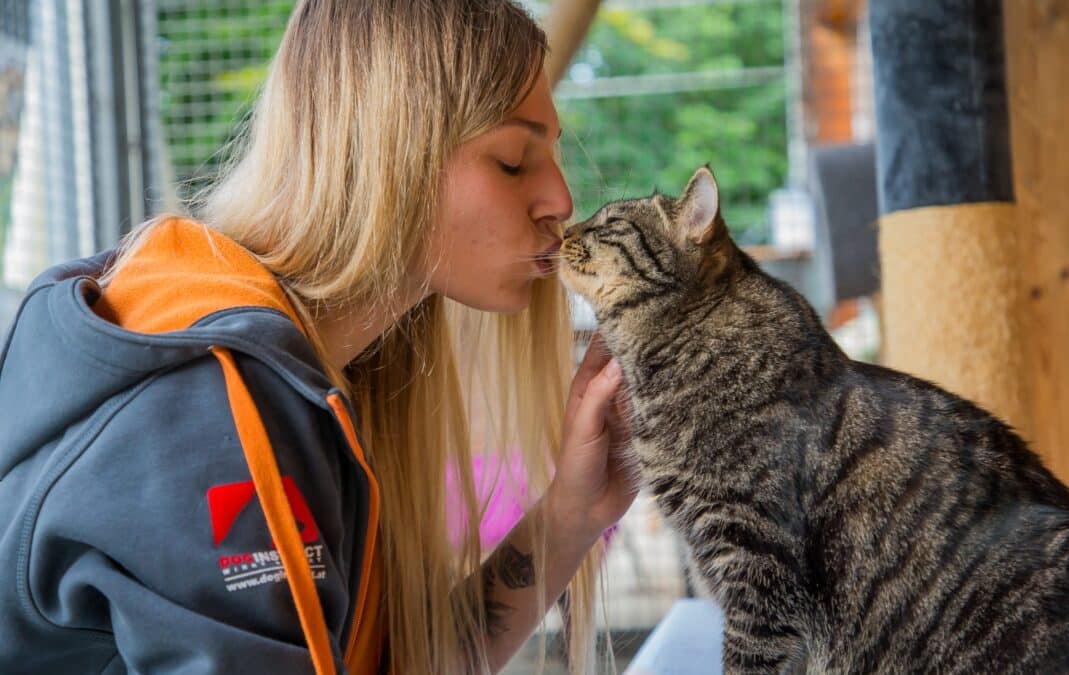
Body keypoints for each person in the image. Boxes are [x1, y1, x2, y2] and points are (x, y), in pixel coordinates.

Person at [0, 1, 637, 673]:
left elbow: (403, 661)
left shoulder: (338, 367)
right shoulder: (213, 407)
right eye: (513, 159)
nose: (562, 199)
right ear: (389, 155)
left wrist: (572, 511)